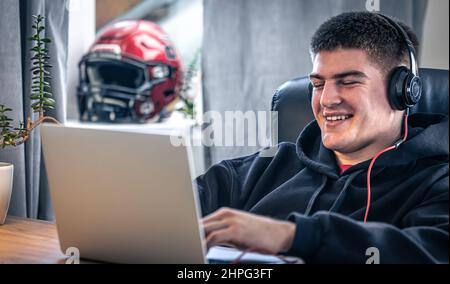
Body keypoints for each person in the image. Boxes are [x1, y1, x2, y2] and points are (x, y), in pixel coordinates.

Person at [196, 12, 449, 264]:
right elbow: (175, 211)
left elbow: (431, 253)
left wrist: (296, 236)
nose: (326, 100)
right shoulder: (261, 169)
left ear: (402, 91)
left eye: (348, 82)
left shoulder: (437, 182)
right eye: (318, 84)